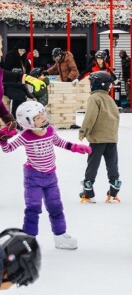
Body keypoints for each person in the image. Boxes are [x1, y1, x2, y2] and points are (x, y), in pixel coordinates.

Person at [0, 101, 90, 250]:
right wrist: (3, 139)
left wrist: (75, 147)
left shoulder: (50, 131)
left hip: (50, 177)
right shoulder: (26, 136)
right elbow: (8, 149)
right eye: (37, 116)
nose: (43, 116)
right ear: (28, 122)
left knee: (55, 206)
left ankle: (60, 235)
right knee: (33, 208)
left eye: (42, 113)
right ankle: (28, 240)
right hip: (33, 177)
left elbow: (61, 143)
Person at [78, 72, 121, 203]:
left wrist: (83, 131)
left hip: (97, 139)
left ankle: (88, 189)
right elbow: (116, 118)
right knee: (112, 164)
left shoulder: (94, 98)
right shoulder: (110, 99)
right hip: (111, 138)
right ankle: (114, 186)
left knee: (93, 164)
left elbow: (90, 116)